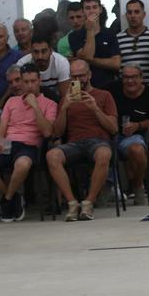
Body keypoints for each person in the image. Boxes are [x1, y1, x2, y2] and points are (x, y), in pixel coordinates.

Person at [0, 63, 56, 222]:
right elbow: (2, 127)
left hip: (29, 146)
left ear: (39, 81)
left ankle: (7, 200)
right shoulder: (12, 102)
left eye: (33, 81)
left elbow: (47, 132)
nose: (29, 86)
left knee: (22, 165)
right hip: (8, 143)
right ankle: (13, 197)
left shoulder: (50, 104)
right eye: (26, 82)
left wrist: (35, 107)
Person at [46, 59, 117, 221]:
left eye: (81, 76)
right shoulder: (66, 99)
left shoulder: (104, 95)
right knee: (52, 156)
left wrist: (95, 108)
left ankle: (89, 202)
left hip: (98, 141)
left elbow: (113, 129)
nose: (78, 80)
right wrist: (64, 108)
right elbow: (57, 132)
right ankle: (72, 202)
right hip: (74, 143)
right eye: (74, 77)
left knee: (104, 154)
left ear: (89, 75)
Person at [114, 63, 149, 204]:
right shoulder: (112, 89)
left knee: (137, 149)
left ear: (141, 78)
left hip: (137, 135)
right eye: (126, 77)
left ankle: (138, 185)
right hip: (112, 134)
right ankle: (106, 190)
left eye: (133, 77)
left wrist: (138, 125)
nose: (130, 81)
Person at [68, 0, 121, 92]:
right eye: (87, 8)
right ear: (83, 11)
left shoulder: (110, 34)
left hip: (108, 86)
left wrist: (89, 60)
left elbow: (116, 64)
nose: (92, 11)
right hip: (82, 87)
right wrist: (90, 30)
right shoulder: (74, 36)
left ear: (100, 9)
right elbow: (88, 55)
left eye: (95, 7)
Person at [116, 0, 149, 88]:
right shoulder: (117, 39)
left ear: (143, 15)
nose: (133, 16)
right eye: (130, 12)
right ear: (126, 16)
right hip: (127, 91)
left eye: (136, 12)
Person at [17, 33, 70, 100]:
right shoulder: (22, 64)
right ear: (31, 51)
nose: (40, 56)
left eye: (44, 51)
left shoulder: (61, 63)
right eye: (36, 52)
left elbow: (64, 96)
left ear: (51, 51)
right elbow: (20, 96)